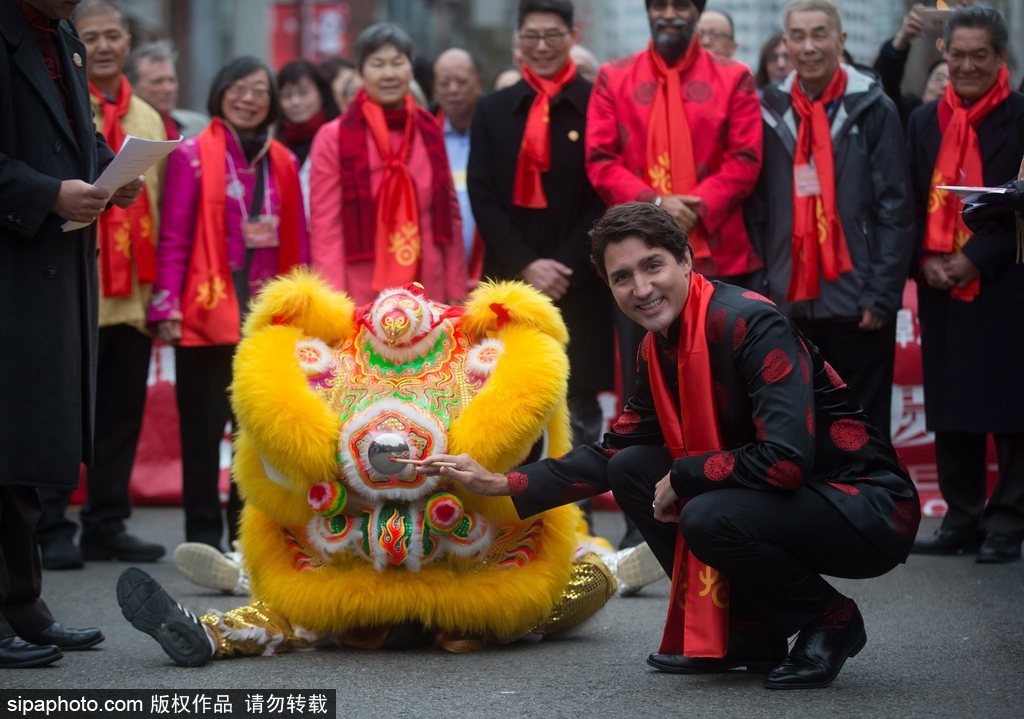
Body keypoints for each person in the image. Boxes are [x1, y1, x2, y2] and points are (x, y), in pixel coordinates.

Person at [420, 201, 920, 689]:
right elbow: (615, 451)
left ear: (686, 259)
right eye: (622, 278)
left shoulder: (751, 324)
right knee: (633, 467)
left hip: (863, 505)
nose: (641, 289)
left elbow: (786, 462)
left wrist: (685, 474)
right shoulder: (655, 348)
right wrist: (500, 481)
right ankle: (749, 632)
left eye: (652, 266)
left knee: (704, 512)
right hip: (785, 500)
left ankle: (830, 619)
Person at [1, 0, 145, 667]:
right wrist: (47, 194)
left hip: (54, 267)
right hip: (15, 258)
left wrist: (114, 171)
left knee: (25, 447)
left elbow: (74, 134)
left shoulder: (59, 34)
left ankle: (22, 605)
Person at [147, 56, 308, 561]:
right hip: (204, 312)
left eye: (259, 90)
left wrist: (304, 308)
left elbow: (298, 242)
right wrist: (165, 304)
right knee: (200, 428)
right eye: (238, 87)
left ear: (271, 102)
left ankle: (247, 540)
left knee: (255, 436)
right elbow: (172, 236)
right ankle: (201, 540)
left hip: (266, 319)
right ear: (220, 93)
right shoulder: (191, 156)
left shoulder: (281, 159)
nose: (248, 98)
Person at [585, 0, 763, 437]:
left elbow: (745, 158)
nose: (669, 13)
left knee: (732, 380)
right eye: (659, 5)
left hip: (721, 254)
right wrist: (659, 208)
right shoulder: (614, 77)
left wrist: (693, 206)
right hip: (635, 262)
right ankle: (642, 493)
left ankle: (731, 484)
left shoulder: (734, 76)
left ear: (697, 12)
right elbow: (600, 158)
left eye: (680, 4)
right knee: (645, 384)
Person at [36, 0, 167, 571]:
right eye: (95, 35)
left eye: (116, 34)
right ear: (76, 43)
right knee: (59, 413)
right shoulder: (63, 103)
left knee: (120, 415)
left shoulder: (148, 117)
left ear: (128, 43)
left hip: (133, 296)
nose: (107, 45)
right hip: (76, 288)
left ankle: (107, 521)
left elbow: (164, 209)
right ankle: (49, 523)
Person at [747, 0, 913, 442]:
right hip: (788, 301)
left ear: (840, 41)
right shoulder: (765, 108)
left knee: (862, 428)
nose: (809, 46)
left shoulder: (873, 106)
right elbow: (756, 210)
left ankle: (872, 510)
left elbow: (895, 208)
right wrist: (764, 288)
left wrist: (881, 295)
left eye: (819, 34)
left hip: (857, 303)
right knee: (796, 429)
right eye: (798, 36)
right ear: (785, 44)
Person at [469, 0, 613, 493]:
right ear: (518, 42)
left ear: (572, 35)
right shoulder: (492, 109)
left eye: (553, 36)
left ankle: (580, 513)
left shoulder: (597, 102)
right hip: (512, 275)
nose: (543, 47)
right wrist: (528, 263)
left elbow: (602, 193)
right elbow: (483, 196)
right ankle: (510, 508)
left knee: (579, 399)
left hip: (580, 273)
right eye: (532, 37)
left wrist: (563, 262)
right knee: (508, 394)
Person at [905, 6, 1024, 563]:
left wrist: (974, 257)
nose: (969, 65)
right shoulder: (924, 120)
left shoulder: (1021, 116)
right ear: (943, 55)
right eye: (959, 55)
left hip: (1005, 281)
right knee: (950, 402)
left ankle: (1007, 521)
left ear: (1001, 57)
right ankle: (962, 516)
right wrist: (925, 260)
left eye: (982, 55)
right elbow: (906, 199)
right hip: (938, 282)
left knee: (1009, 406)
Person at [309, 24, 465, 306]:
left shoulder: (429, 130)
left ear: (411, 69)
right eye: (377, 64)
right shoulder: (334, 137)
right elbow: (325, 226)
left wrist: (455, 295)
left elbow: (449, 217)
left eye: (398, 62)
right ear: (359, 73)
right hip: (360, 291)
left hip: (428, 287)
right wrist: (332, 304)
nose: (389, 74)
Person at [433, 47, 482, 279]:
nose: (453, 90)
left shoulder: (494, 131)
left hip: (489, 266)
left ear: (478, 82)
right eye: (444, 83)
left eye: (461, 81)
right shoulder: (424, 135)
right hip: (437, 267)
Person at [275, 59, 338, 220]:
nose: (295, 102)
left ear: (321, 94)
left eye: (303, 93)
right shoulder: (275, 146)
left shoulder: (337, 137)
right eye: (287, 95)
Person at [125, 40, 207, 140]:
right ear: (131, 86)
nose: (169, 89)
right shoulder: (120, 130)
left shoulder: (198, 128)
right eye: (157, 82)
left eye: (172, 80)